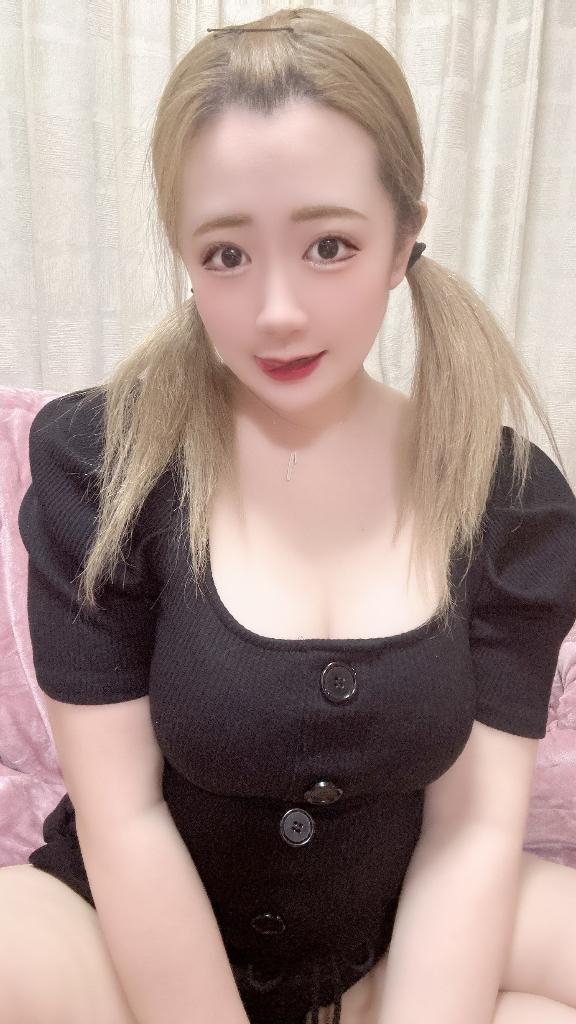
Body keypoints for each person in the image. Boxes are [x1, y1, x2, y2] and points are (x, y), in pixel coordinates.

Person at [4, 6, 576, 1024]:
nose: (277, 311)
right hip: (125, 936)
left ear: (403, 238)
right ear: (185, 255)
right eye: (227, 255)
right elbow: (122, 814)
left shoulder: (508, 498)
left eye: (329, 245)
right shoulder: (104, 467)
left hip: (382, 938)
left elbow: (473, 833)